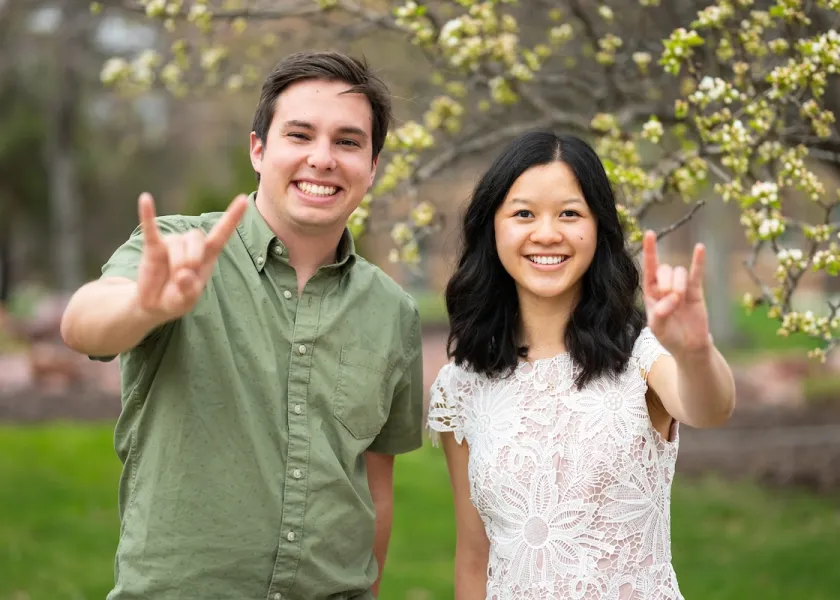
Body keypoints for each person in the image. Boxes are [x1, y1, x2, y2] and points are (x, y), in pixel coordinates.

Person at [60, 50, 425, 600]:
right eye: (299, 135)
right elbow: (83, 324)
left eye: (348, 142)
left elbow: (377, 485)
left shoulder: (393, 310)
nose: (322, 159)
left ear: (372, 167)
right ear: (258, 150)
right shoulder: (181, 250)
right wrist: (147, 306)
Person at [427, 131, 736, 599]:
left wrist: (694, 352)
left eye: (569, 213)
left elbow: (709, 408)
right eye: (524, 213)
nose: (547, 233)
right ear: (493, 228)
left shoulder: (640, 356)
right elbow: (475, 555)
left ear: (598, 228)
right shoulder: (462, 386)